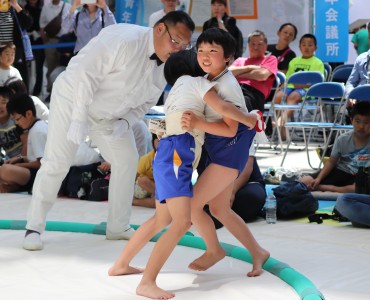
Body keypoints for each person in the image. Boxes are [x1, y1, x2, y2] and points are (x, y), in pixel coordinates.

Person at [22, 11, 196, 251]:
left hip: (110, 116)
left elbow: (145, 104)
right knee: (58, 161)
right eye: (175, 41)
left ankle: (117, 226)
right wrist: (79, 116)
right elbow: (86, 73)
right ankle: (33, 227)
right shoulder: (124, 39)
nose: (178, 49)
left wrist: (124, 123)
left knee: (127, 159)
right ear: (159, 29)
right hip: (74, 99)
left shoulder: (166, 65)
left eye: (184, 46)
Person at [108, 49, 258, 299]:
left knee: (161, 220)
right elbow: (223, 109)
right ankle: (147, 282)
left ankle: (120, 265)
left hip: (169, 152)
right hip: (179, 153)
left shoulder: (174, 90)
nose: (204, 60)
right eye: (199, 56)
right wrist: (249, 118)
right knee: (182, 222)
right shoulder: (197, 82)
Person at [185, 28, 270, 277]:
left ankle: (214, 250)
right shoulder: (212, 80)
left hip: (229, 151)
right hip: (224, 152)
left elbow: (231, 129)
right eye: (201, 50)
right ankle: (258, 252)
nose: (205, 55)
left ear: (228, 57)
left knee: (192, 206)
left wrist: (197, 123)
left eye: (213, 51)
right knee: (220, 209)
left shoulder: (227, 85)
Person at [300, 101, 370, 193]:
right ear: (351, 120)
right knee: (304, 182)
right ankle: (323, 186)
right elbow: (331, 162)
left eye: (366, 122)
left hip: (362, 176)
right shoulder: (343, 139)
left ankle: (326, 188)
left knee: (359, 189)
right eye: (357, 121)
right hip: (342, 172)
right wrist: (318, 178)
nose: (361, 126)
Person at [274, 33, 324, 140]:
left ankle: (281, 121)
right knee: (278, 96)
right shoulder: (294, 61)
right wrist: (282, 86)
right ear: (299, 47)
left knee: (294, 96)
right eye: (304, 44)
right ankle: (282, 129)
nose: (306, 47)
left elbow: (318, 82)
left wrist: (301, 85)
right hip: (291, 86)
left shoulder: (318, 63)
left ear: (315, 48)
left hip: (307, 89)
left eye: (310, 45)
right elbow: (288, 79)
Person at [203, 143, 266, 229]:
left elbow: (247, 168)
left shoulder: (243, 131)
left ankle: (225, 211)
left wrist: (231, 193)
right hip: (214, 186)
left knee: (252, 198)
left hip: (244, 183)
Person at [0, 94, 46, 193]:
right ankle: (11, 186)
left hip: (38, 174)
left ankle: (17, 186)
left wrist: (19, 166)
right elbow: (34, 156)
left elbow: (41, 163)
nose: (16, 123)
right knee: (4, 170)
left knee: (5, 170)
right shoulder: (34, 128)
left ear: (29, 114)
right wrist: (20, 159)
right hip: (32, 170)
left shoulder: (37, 131)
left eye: (17, 119)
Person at [229, 30, 278, 112]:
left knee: (239, 104)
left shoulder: (270, 59)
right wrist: (251, 67)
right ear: (248, 45)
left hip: (253, 94)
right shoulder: (240, 60)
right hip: (234, 90)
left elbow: (261, 75)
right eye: (253, 44)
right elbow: (228, 73)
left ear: (266, 46)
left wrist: (238, 73)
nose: (256, 47)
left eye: (259, 44)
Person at [40, 0, 71, 97]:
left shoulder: (68, 7)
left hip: (65, 41)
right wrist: (44, 37)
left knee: (63, 66)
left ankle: (62, 92)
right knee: (51, 66)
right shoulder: (46, 7)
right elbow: (42, 23)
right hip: (51, 40)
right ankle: (50, 91)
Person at [0, 0, 32, 88]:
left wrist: (15, 5)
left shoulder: (15, 10)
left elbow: (28, 23)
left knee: (18, 79)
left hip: (14, 51)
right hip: (0, 51)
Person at [132, 133, 159, 208]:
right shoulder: (147, 158)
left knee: (160, 203)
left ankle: (134, 202)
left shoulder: (172, 158)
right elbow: (136, 175)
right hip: (144, 188)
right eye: (159, 141)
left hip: (157, 187)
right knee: (143, 180)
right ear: (153, 142)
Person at [25, 0, 45, 97]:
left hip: (39, 41)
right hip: (26, 41)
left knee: (39, 67)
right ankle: (26, 91)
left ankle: (37, 91)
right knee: (25, 68)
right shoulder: (23, 9)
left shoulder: (42, 9)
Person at [0, 86, 22, 160]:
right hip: (9, 160)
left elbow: (26, 143)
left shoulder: (17, 119)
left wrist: (21, 160)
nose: (0, 106)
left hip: (25, 158)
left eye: (4, 102)